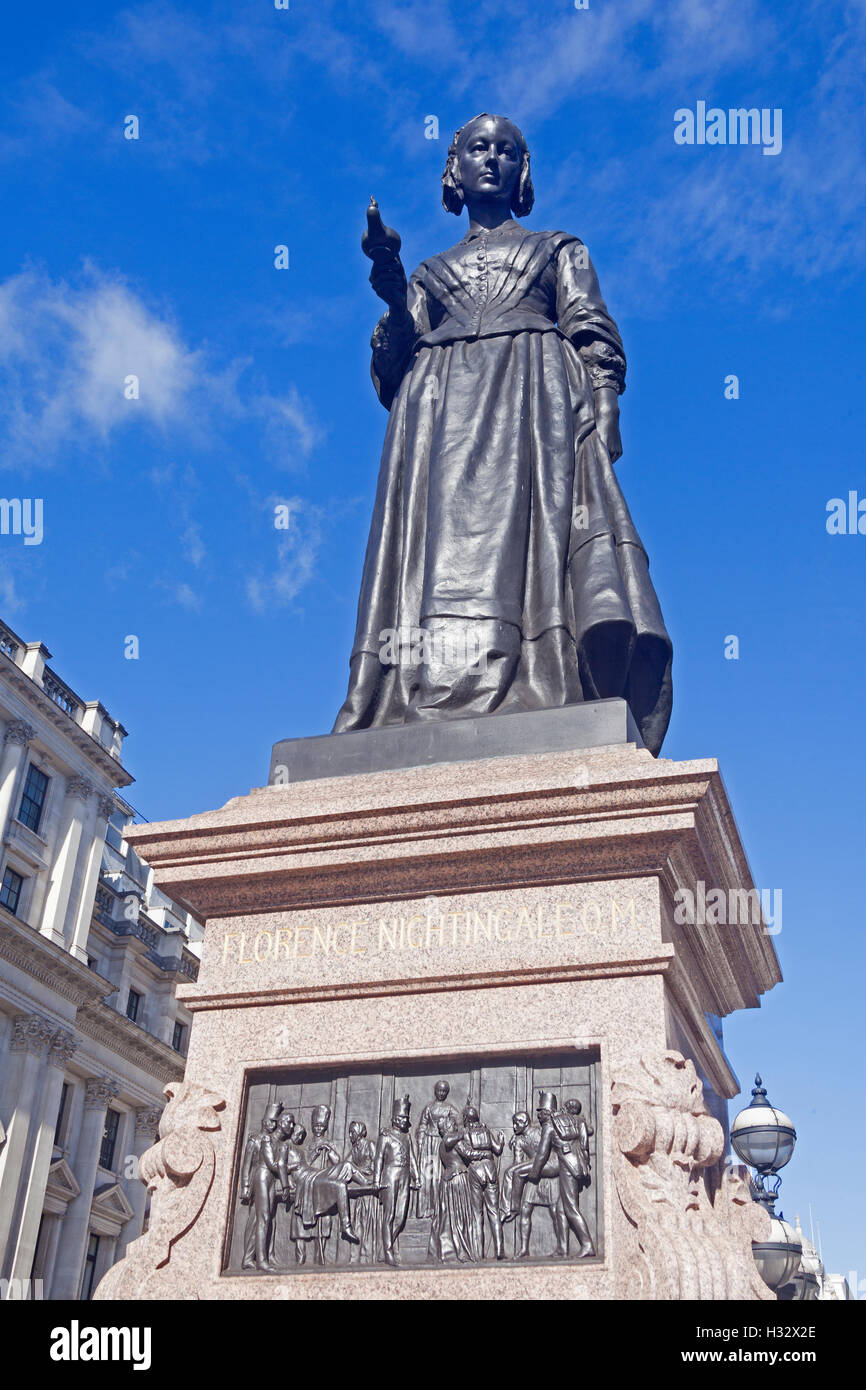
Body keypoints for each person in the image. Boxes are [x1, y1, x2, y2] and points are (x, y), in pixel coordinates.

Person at [334, 112, 672, 756]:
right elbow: (390, 374)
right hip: (437, 414)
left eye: (508, 150)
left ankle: (542, 676)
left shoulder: (558, 249)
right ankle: (423, 684)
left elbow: (588, 324)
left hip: (534, 403)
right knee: (435, 555)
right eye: (477, 148)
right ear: (453, 171)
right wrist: (391, 295)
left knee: (534, 540)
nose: (492, 158)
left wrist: (606, 402)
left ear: (523, 170)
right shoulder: (429, 274)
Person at [525, 1091, 595, 1258]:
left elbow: (542, 1154)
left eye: (540, 1112)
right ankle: (562, 1248)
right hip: (577, 1166)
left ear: (547, 1112)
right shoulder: (576, 1121)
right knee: (560, 1210)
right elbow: (585, 1144)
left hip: (567, 1167)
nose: (538, 1116)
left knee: (571, 1209)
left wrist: (534, 1174)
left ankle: (587, 1245)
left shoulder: (550, 1125)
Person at [445, 1103, 505, 1260]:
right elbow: (498, 1149)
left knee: (477, 1214)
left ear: (465, 1119)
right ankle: (499, 1249)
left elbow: (465, 1152)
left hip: (476, 1170)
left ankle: (479, 1253)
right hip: (490, 1169)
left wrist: (475, 1153)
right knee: (494, 1211)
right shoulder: (485, 1130)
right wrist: (501, 1140)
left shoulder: (464, 1133)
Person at [500, 1110, 563, 1258]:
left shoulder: (541, 1131)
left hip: (548, 1172)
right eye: (513, 1123)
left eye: (517, 1123)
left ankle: (562, 1247)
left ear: (525, 1122)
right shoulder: (520, 1141)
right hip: (533, 1176)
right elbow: (518, 1163)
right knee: (525, 1209)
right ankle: (524, 1249)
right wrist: (514, 1146)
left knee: (555, 1211)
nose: (514, 1126)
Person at [374, 1095, 421, 1266]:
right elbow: (378, 1159)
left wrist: (417, 1176)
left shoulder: (407, 1137)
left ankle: (385, 1246)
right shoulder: (385, 1136)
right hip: (390, 1175)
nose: (404, 1121)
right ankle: (388, 1253)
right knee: (389, 1215)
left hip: (405, 1176)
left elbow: (412, 1158)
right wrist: (376, 1180)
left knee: (400, 1217)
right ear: (394, 1118)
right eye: (401, 1118)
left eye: (406, 1118)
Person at [428, 1114, 478, 1263]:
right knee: (459, 1216)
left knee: (448, 1216)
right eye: (453, 1124)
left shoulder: (444, 1142)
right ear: (447, 1128)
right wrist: (484, 1154)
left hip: (447, 1181)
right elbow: (469, 1154)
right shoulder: (453, 1141)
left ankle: (446, 1251)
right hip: (457, 1179)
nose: (456, 1126)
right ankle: (459, 1252)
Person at [239, 1101, 282, 1271]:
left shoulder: (273, 1140)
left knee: (262, 1218)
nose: (272, 1125)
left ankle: (248, 1258)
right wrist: (245, 1187)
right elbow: (246, 1165)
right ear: (263, 1120)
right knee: (260, 1219)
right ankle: (261, 1261)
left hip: (271, 1179)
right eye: (270, 1121)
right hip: (260, 1177)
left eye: (274, 1122)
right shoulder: (255, 1139)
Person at [415, 1080, 461, 1218]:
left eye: (444, 1091)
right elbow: (422, 1125)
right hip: (428, 1144)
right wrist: (420, 1139)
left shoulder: (449, 1108)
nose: (441, 1093)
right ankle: (425, 1208)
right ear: (435, 1091)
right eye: (439, 1090)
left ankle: (438, 1208)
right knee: (428, 1175)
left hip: (441, 1144)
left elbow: (458, 1122)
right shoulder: (429, 1108)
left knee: (438, 1176)